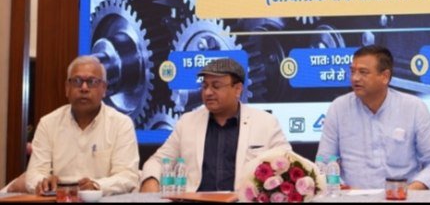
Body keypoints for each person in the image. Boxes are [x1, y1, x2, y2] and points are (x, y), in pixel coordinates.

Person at [140, 57, 287, 192]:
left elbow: (289, 165)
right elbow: (158, 161)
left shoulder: (266, 123)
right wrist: (150, 180)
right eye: (205, 86)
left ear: (237, 89)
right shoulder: (187, 122)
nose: (208, 92)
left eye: (216, 86)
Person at [316, 44, 430, 190]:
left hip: (403, 197)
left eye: (363, 72)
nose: (355, 78)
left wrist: (411, 191)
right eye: (352, 71)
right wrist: (343, 189)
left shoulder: (414, 107)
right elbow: (323, 163)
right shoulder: (338, 108)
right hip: (351, 197)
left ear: (385, 76)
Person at [23, 55, 139, 196]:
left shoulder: (121, 124)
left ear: (104, 89)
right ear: (67, 88)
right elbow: (34, 174)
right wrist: (43, 182)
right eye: (77, 81)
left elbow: (127, 176)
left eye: (92, 82)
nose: (84, 88)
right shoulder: (48, 123)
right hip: (60, 199)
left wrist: (96, 186)